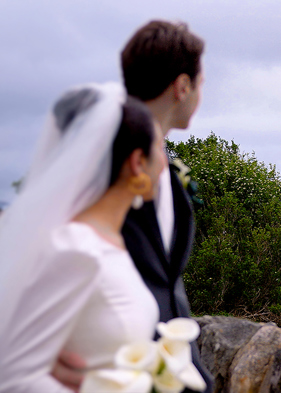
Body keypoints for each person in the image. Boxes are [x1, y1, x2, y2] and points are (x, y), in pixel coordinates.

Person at [0, 83, 205, 392]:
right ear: (137, 163)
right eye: (158, 148)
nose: (165, 161)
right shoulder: (75, 250)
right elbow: (15, 377)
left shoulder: (114, 243)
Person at [52, 20, 214, 392]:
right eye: (201, 84)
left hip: (176, 370)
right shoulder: (99, 168)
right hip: (116, 370)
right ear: (183, 86)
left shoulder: (170, 171)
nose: (200, 94)